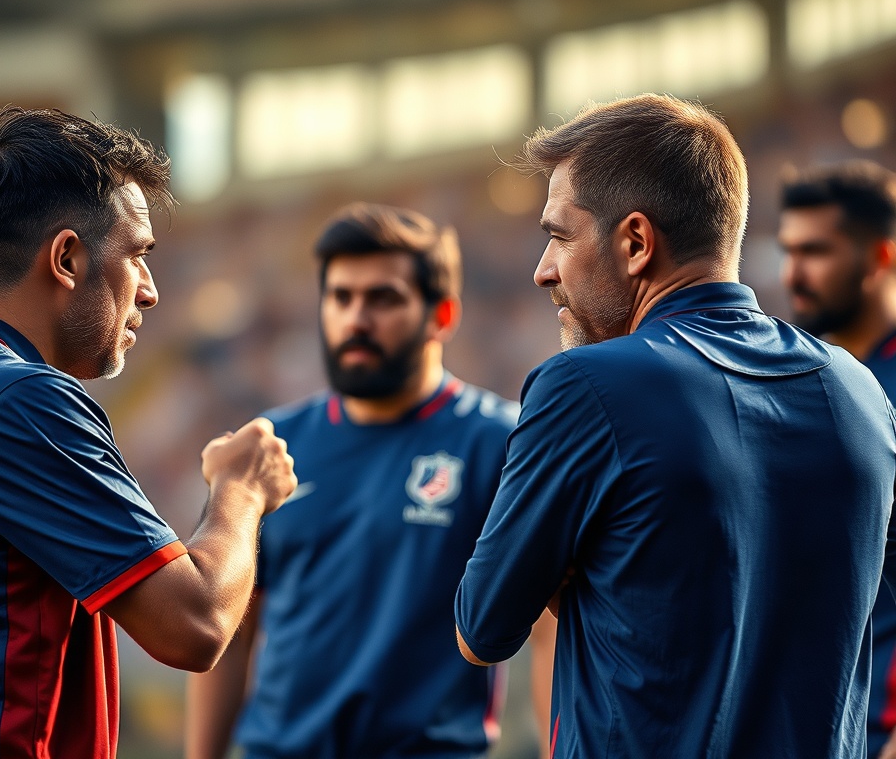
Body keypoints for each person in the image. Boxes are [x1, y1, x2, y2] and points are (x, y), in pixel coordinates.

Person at [454, 93, 896, 757]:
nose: (543, 270)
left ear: (635, 242)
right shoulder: (859, 391)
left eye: (557, 236)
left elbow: (481, 627)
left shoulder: (586, 387)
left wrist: (578, 554)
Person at [0, 106, 296, 758]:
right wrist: (240, 488)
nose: (150, 291)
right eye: (138, 256)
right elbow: (196, 624)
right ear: (67, 257)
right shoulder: (16, 399)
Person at [184, 202, 537, 759]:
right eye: (340, 297)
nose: (356, 319)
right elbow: (231, 629)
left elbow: (551, 630)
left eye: (384, 299)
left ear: (441, 315)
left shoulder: (502, 443)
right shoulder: (269, 447)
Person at [778, 159, 896, 759]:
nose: (793, 274)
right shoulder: (789, 380)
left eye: (816, 252)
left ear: (879, 258)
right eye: (788, 251)